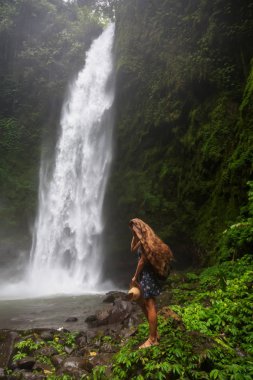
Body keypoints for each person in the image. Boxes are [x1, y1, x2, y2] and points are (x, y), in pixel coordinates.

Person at [129, 218, 173, 349]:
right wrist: (134, 235)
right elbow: (132, 249)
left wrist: (134, 277)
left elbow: (142, 261)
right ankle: (155, 333)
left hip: (147, 276)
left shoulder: (146, 242)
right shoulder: (144, 239)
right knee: (142, 302)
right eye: (132, 230)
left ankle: (153, 339)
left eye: (135, 229)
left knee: (150, 304)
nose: (133, 231)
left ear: (140, 228)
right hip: (146, 276)